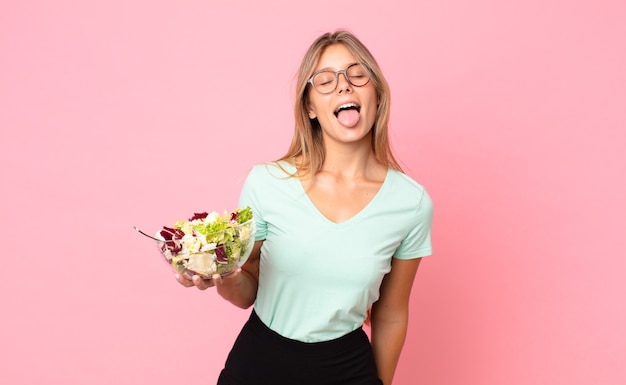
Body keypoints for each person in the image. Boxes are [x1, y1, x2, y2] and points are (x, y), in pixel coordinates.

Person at [175, 30, 433, 385]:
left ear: (376, 93)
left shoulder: (411, 203)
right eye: (325, 81)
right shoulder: (266, 183)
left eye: (357, 75)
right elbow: (247, 291)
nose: (344, 87)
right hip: (260, 363)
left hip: (347, 368)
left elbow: (391, 314)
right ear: (310, 106)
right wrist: (222, 275)